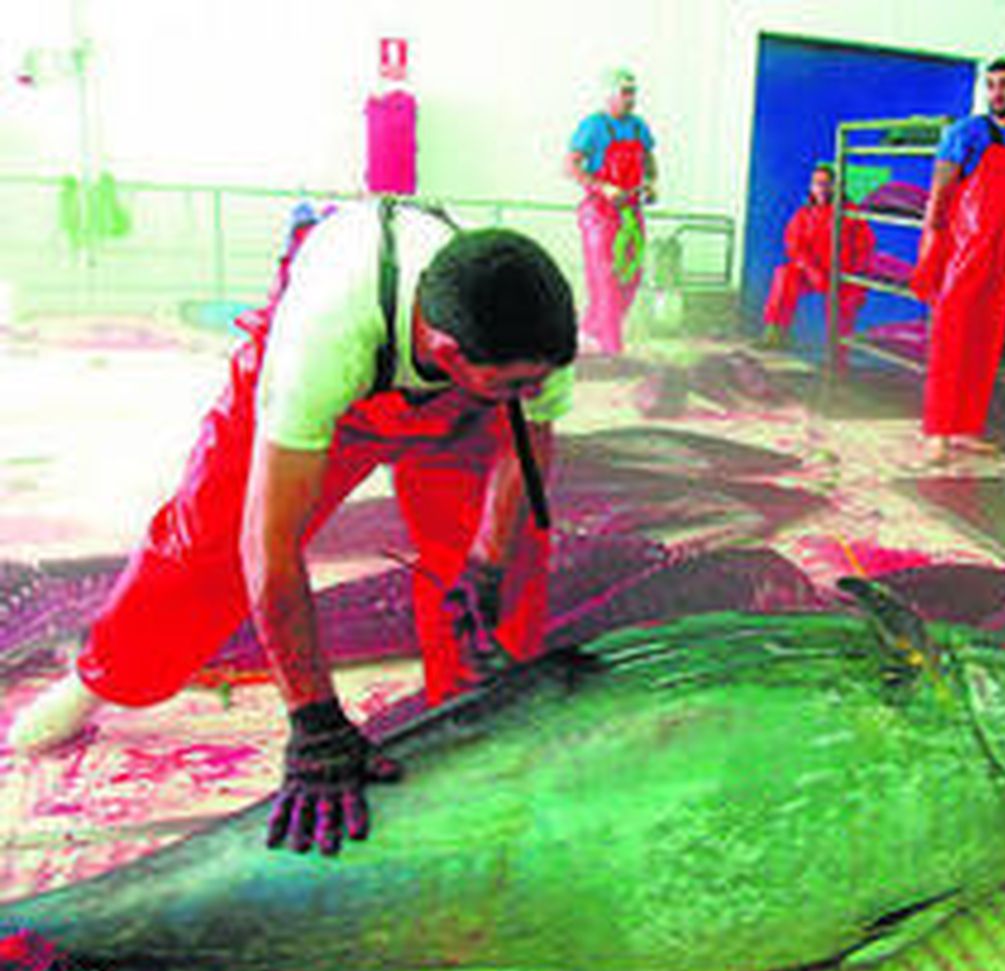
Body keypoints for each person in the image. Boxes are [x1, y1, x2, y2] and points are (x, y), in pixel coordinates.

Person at [8, 198, 580, 857]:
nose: (538, 389)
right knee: (208, 547)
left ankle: (476, 718)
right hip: (345, 374)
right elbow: (269, 545)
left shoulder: (530, 334)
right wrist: (313, 720)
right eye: (522, 382)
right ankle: (106, 674)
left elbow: (528, 442)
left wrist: (484, 561)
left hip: (466, 393)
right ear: (448, 351)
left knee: (517, 558)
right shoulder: (322, 340)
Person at [911, 57, 1005, 463]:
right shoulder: (965, 133)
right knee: (950, 342)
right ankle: (938, 432)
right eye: (991, 85)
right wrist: (929, 253)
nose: (998, 93)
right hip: (963, 255)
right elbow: (940, 194)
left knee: (986, 343)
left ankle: (965, 427)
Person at [567, 68, 659, 356]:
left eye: (634, 92)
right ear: (609, 95)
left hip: (630, 211)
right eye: (625, 92)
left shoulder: (638, 127)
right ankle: (612, 348)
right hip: (599, 213)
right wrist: (603, 188)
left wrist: (652, 183)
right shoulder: (592, 127)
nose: (631, 99)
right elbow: (570, 167)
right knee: (605, 277)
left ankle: (591, 331)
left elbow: (649, 159)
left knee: (631, 275)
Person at [760, 162, 876, 350]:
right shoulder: (805, 214)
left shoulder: (850, 213)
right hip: (812, 274)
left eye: (826, 184)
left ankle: (837, 360)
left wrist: (850, 278)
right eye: (817, 184)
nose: (821, 189)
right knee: (785, 274)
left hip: (841, 276)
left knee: (842, 311)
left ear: (836, 187)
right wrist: (810, 269)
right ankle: (775, 333)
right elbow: (794, 246)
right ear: (811, 187)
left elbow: (865, 248)